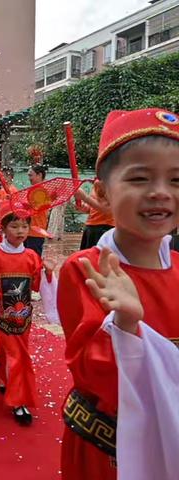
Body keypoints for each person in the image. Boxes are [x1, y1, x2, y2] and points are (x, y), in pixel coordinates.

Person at [57, 108, 179, 480]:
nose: (160, 192)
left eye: (177, 180)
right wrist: (126, 324)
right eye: (140, 178)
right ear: (102, 194)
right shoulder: (86, 269)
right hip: (109, 449)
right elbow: (98, 378)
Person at [0, 200, 55, 425]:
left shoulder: (31, 256)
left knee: (13, 353)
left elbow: (35, 286)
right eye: (14, 226)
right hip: (3, 316)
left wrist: (48, 274)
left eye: (25, 226)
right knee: (18, 357)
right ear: (3, 229)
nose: (20, 231)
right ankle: (19, 401)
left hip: (23, 317)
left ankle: (4, 379)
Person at [74, 180, 115, 250]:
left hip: (104, 228)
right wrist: (84, 207)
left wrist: (85, 197)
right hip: (91, 227)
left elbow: (107, 209)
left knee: (97, 259)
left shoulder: (112, 182)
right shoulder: (98, 181)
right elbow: (93, 207)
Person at [24, 164, 49, 256]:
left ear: (39, 175)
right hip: (27, 230)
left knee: (34, 259)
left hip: (36, 231)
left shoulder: (43, 190)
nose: (29, 178)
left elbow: (36, 207)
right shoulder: (32, 189)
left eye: (31, 175)